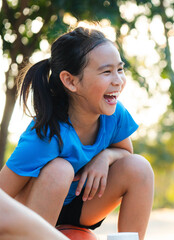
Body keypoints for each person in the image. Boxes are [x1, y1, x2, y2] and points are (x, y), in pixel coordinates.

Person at [0, 26, 154, 240]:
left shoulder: (115, 113)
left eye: (120, 69)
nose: (118, 80)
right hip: (34, 212)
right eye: (106, 72)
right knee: (60, 170)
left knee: (139, 167)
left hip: (81, 205)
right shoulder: (45, 134)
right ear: (71, 81)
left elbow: (126, 153)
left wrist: (105, 157)